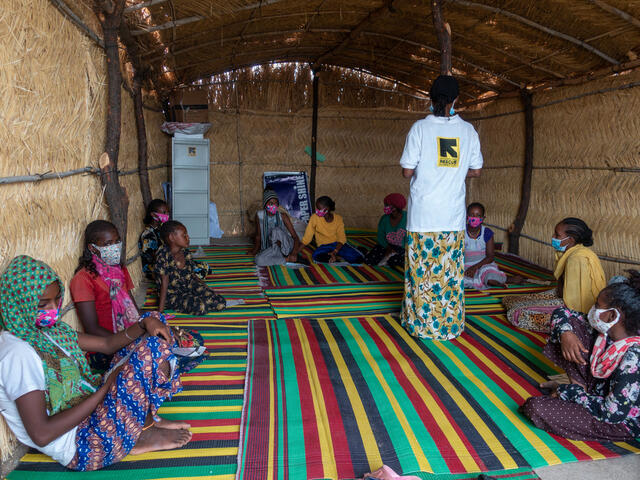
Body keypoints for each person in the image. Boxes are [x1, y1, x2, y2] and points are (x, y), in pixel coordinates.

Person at [0, 256, 191, 471]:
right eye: (44, 304)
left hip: (94, 410)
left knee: (151, 337)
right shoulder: (17, 353)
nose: (53, 309)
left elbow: (107, 344)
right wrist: (106, 388)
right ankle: (140, 434)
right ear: (19, 302)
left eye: (56, 300)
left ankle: (145, 420)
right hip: (84, 445)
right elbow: (41, 434)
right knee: (148, 354)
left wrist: (145, 322)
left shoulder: (48, 331)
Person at [399, 74, 483, 340]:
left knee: (421, 274)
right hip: (452, 218)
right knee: (449, 274)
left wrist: (431, 169)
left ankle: (420, 325)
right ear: (457, 100)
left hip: (423, 217)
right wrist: (455, 173)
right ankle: (449, 326)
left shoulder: (420, 129)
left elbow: (406, 171)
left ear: (431, 99)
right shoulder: (468, 131)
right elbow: (476, 170)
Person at [521, 271, 640, 442]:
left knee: (535, 408)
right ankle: (581, 391)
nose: (593, 309)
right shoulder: (606, 334)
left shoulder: (633, 358)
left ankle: (577, 394)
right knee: (571, 326)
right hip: (596, 395)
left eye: (597, 305)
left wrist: (568, 392)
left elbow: (611, 413)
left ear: (613, 315)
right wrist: (566, 334)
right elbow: (563, 313)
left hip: (619, 421)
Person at [503, 217, 606, 332]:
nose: (553, 237)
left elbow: (571, 302)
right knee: (510, 300)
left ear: (570, 240)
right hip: (565, 296)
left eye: (557, 235)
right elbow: (563, 290)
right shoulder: (573, 252)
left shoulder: (577, 259)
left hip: (577, 310)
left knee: (515, 314)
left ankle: (573, 327)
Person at [70, 220, 139, 371]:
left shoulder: (119, 270)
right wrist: (129, 339)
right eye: (108, 244)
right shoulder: (83, 279)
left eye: (117, 242)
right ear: (93, 248)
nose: (114, 247)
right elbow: (91, 328)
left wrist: (142, 327)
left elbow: (132, 307)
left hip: (128, 335)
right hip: (105, 347)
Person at [155, 220, 226, 315]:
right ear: (172, 237)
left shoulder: (185, 253)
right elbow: (164, 282)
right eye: (184, 235)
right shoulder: (163, 255)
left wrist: (205, 287)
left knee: (220, 302)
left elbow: (192, 274)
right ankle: (194, 302)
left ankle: (196, 300)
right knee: (201, 307)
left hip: (189, 286)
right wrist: (160, 311)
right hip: (173, 295)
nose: (188, 238)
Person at [464, 202, 522, 289]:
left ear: (483, 218)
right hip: (465, 266)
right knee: (458, 278)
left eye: (478, 215)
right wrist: (468, 269)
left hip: (483, 265)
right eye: (472, 215)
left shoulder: (487, 233)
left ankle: (495, 281)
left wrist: (475, 268)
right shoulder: (461, 232)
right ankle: (500, 281)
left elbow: (490, 257)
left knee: (489, 273)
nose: (474, 218)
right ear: (467, 217)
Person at [292, 195, 364, 264]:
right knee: (316, 256)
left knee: (358, 258)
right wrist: (295, 252)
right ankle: (336, 257)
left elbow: (342, 239)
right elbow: (307, 239)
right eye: (317, 209)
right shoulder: (314, 218)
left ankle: (336, 256)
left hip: (337, 245)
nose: (317, 211)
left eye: (319, 209)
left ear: (327, 209)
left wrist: (335, 251)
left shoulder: (338, 219)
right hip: (324, 246)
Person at [249, 189, 301, 266]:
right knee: (258, 260)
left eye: (276, 203)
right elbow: (258, 236)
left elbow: (295, 237)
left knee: (276, 230)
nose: (274, 206)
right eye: (271, 203)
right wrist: (254, 251)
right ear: (265, 204)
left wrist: (294, 253)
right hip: (274, 248)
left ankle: (287, 254)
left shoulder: (283, 216)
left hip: (287, 246)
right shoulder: (259, 215)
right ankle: (286, 259)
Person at [364, 193, 407, 268]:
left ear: (395, 207)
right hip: (387, 246)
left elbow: (410, 239)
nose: (385, 207)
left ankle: (389, 259)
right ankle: (387, 258)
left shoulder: (408, 218)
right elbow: (381, 237)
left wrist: (397, 250)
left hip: (403, 248)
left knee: (397, 261)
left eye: (387, 205)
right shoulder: (384, 219)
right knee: (369, 260)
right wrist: (388, 248)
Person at [139, 199, 170, 281]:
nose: (167, 214)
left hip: (163, 263)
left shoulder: (158, 230)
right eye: (164, 213)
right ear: (153, 214)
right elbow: (154, 258)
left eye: (167, 212)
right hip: (153, 268)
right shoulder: (148, 235)